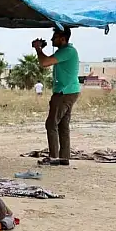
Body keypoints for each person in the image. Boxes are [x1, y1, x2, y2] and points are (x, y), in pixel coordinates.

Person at [33, 27, 81, 166]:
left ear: (62, 38)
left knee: (51, 124)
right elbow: (48, 61)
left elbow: (44, 63)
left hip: (64, 93)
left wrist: (38, 49)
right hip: (70, 91)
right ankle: (64, 158)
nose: (52, 39)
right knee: (63, 125)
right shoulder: (65, 52)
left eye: (54, 37)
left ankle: (54, 157)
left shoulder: (67, 51)